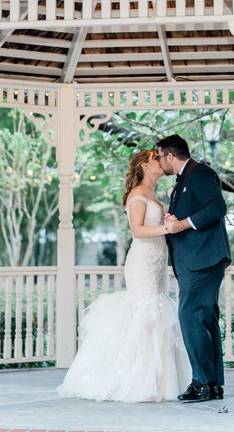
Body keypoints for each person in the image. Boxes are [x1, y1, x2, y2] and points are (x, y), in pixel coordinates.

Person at [57, 149, 191, 402]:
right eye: (155, 159)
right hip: (142, 261)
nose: (161, 162)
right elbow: (138, 230)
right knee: (146, 311)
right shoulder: (138, 194)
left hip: (158, 260)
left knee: (158, 309)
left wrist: (168, 222)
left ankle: (160, 382)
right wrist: (167, 227)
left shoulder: (154, 194)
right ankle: (135, 380)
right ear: (143, 164)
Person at [158, 134, 230, 403]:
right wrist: (174, 220)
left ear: (170, 155)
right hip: (195, 260)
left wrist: (181, 223)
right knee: (204, 320)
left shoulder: (200, 173)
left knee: (190, 317)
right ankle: (212, 384)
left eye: (160, 156)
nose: (159, 161)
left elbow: (217, 207)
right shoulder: (184, 181)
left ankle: (202, 382)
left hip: (204, 260)